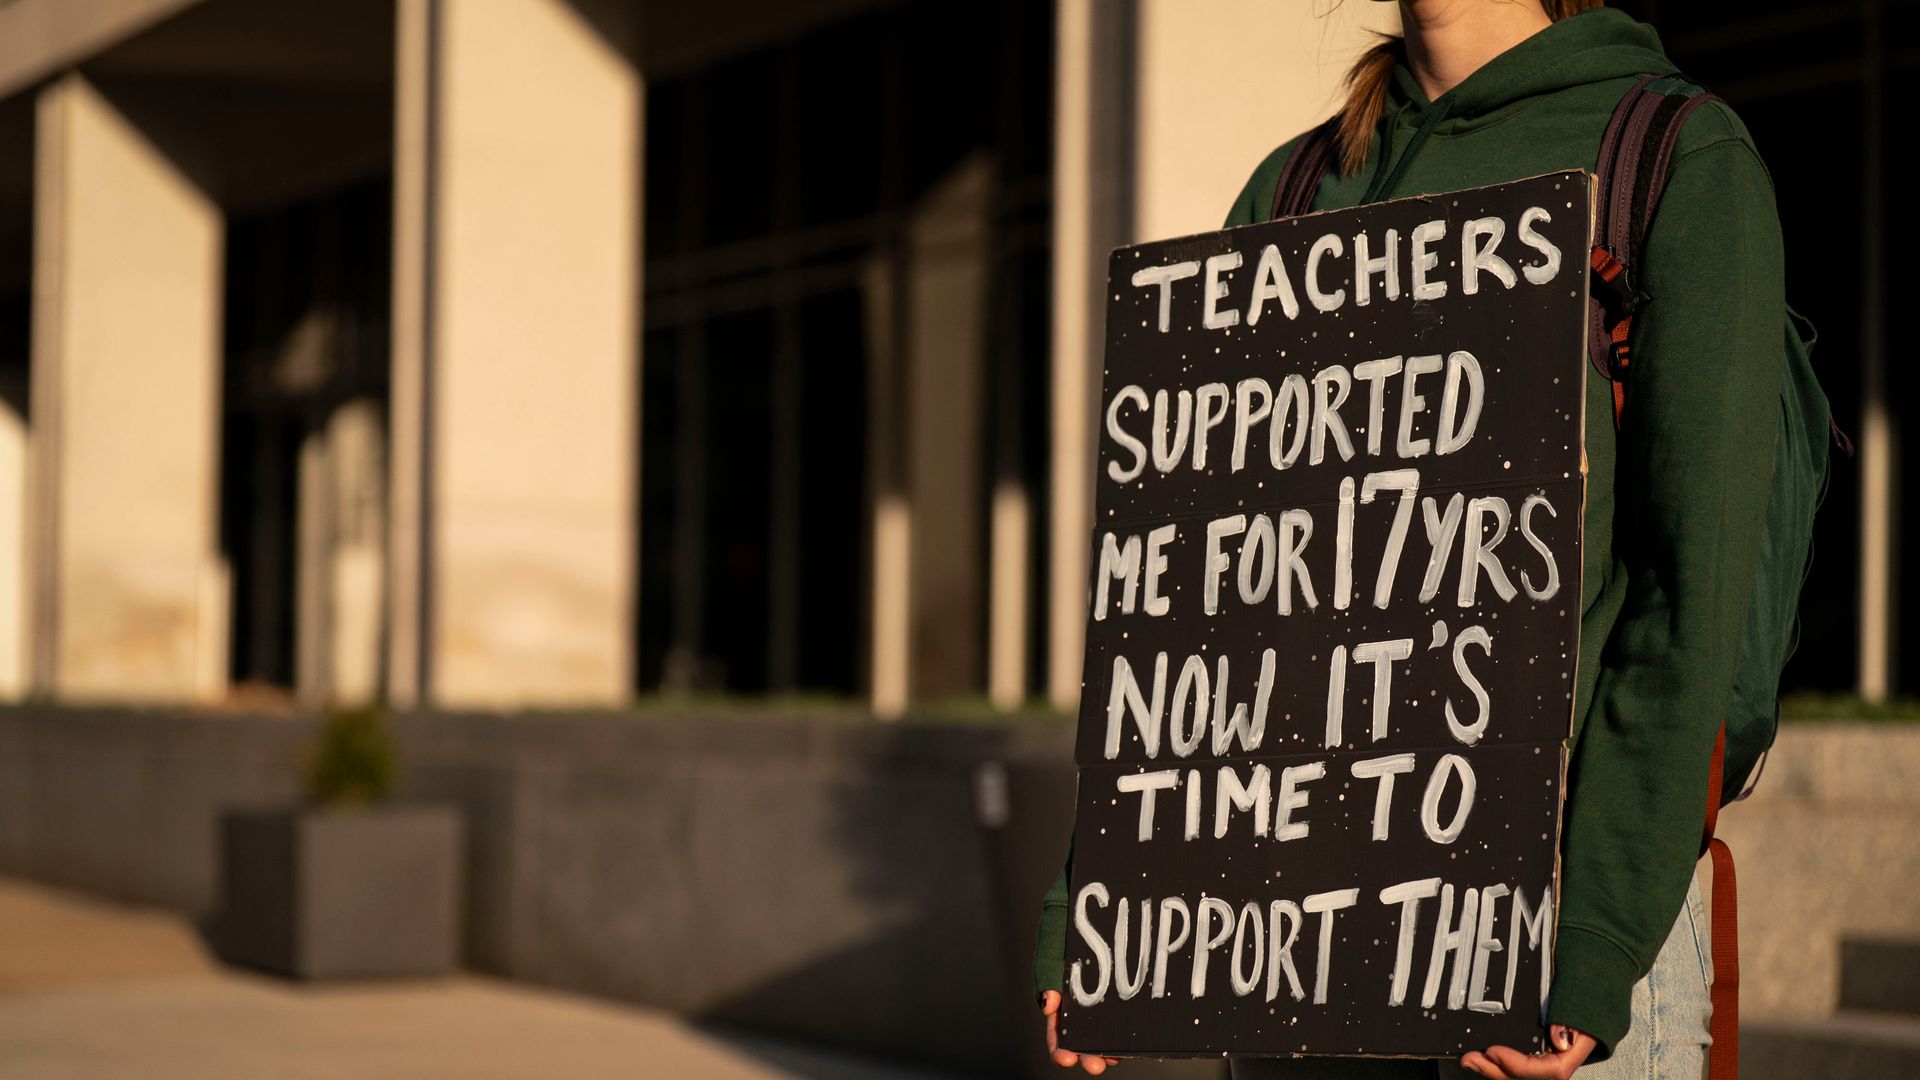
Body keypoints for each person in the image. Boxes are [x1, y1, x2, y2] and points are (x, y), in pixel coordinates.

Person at [1034, 2, 1787, 1077]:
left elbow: (1687, 593)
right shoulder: (1297, 188)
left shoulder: (1669, 153)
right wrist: (1094, 907)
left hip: (1555, 941)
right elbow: (1197, 608)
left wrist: (1597, 937)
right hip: (1304, 944)